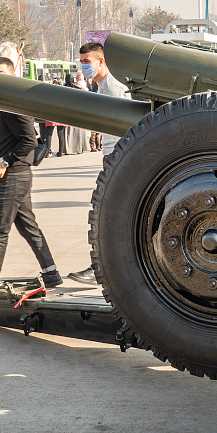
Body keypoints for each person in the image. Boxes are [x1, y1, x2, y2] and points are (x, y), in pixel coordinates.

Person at [0, 57, 63, 288]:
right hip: (18, 175)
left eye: (1, 72)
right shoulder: (9, 100)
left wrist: (4, 161)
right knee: (28, 227)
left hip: (12, 175)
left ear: (13, 73)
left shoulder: (12, 103)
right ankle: (51, 273)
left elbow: (29, 141)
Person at [66, 43, 132, 285]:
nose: (83, 66)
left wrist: (115, 161)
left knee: (106, 217)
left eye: (87, 61)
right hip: (113, 158)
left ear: (101, 61)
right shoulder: (102, 86)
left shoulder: (112, 87)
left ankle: (100, 270)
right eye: (81, 61)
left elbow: (125, 128)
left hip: (117, 159)